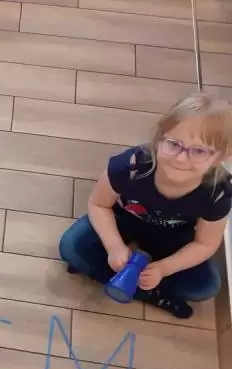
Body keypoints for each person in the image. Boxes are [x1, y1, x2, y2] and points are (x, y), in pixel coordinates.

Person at [59, 92, 231, 319]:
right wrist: (114, 246)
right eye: (174, 144)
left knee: (205, 287)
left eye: (199, 151)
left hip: (174, 235)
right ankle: (150, 294)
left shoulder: (218, 194)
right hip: (124, 218)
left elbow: (205, 244)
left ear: (219, 157)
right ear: (160, 138)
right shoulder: (131, 166)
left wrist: (163, 268)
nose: (181, 158)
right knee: (71, 247)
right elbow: (99, 204)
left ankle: (109, 275)